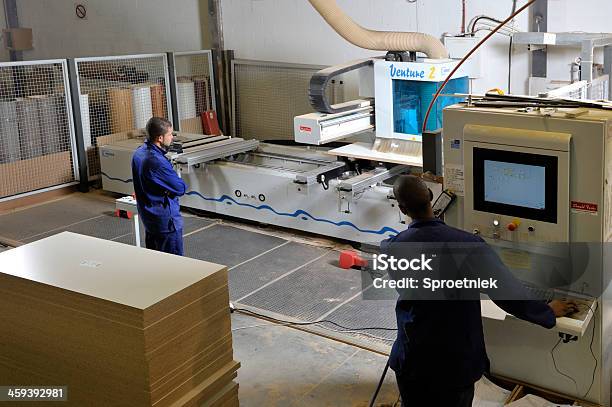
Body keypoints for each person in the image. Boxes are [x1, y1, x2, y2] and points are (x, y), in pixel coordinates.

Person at [385, 175, 577, 407]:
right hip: (454, 365)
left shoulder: (393, 246)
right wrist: (546, 311)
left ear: (402, 208)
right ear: (431, 196)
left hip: (411, 360)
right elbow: (507, 293)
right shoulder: (469, 245)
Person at [131, 117, 186, 256]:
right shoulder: (156, 162)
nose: (172, 138)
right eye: (170, 134)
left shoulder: (139, 153)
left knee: (156, 263)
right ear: (160, 138)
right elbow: (180, 188)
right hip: (166, 224)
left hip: (150, 221)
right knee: (174, 268)